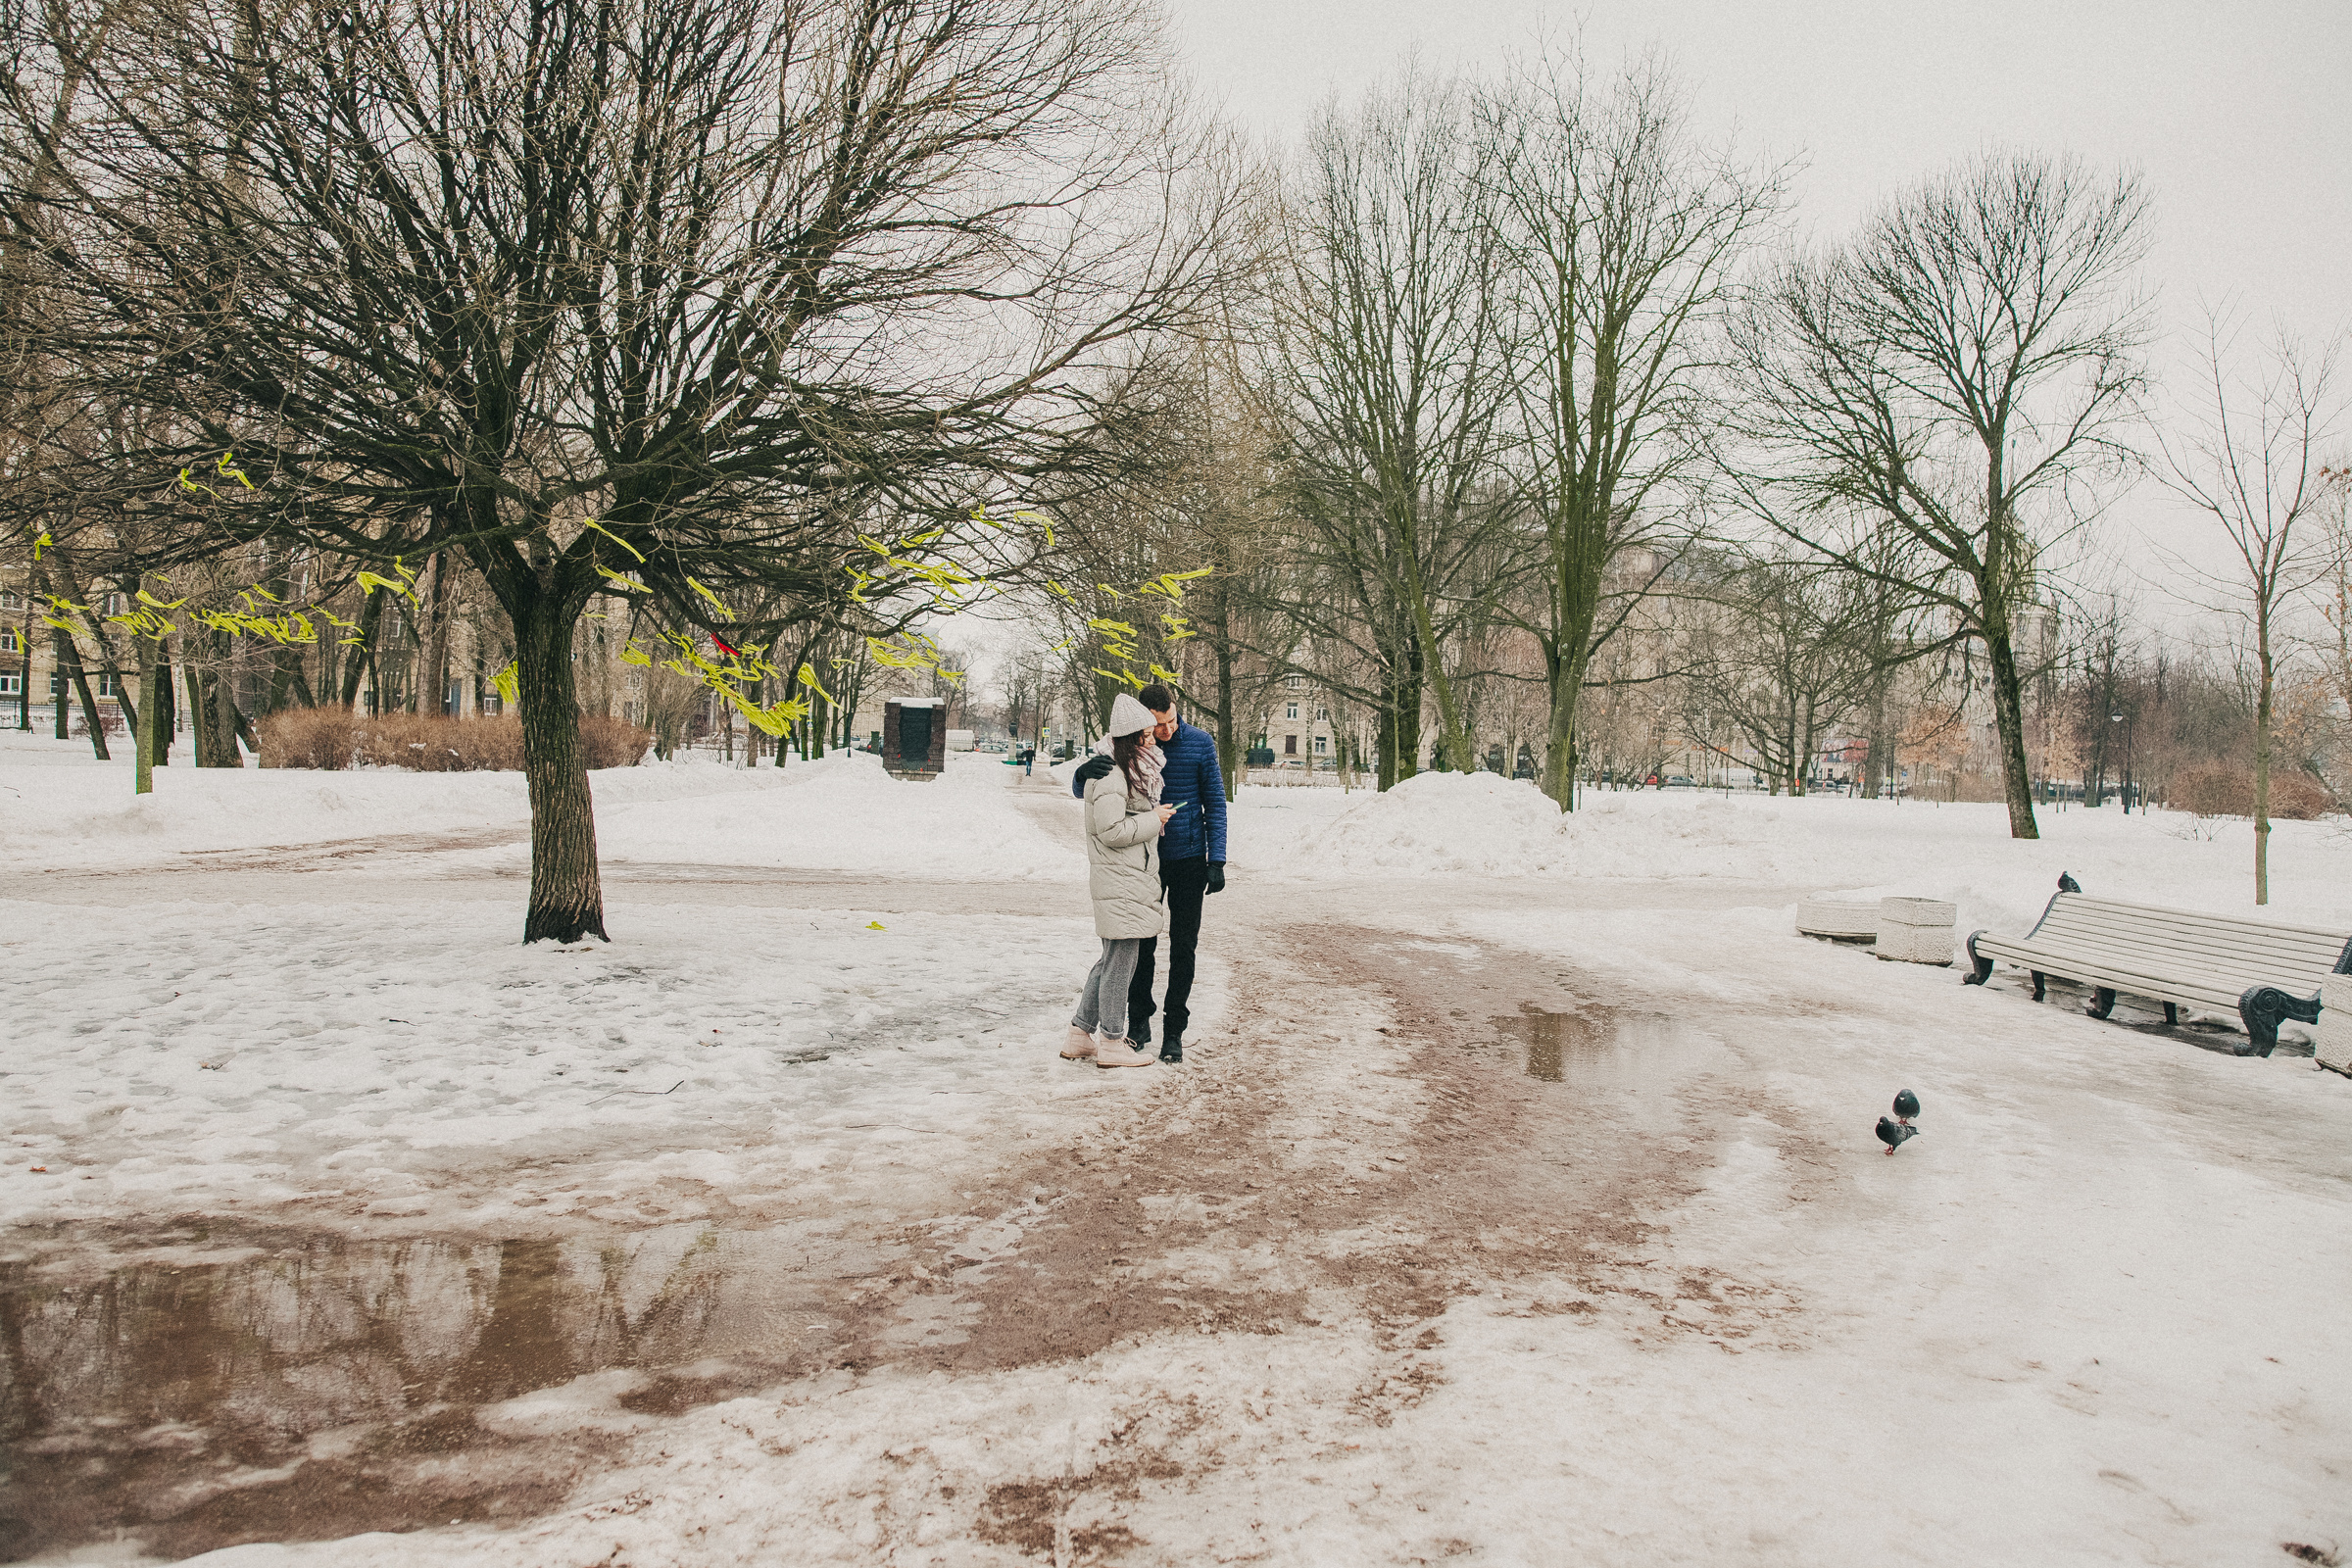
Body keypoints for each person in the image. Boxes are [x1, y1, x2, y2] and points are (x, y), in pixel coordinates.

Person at [1072, 682, 1226, 1062]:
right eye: (1158, 726)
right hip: (1144, 861)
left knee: (1184, 946)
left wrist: (1217, 859)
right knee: (1140, 946)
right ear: (1143, 723)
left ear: (1177, 708)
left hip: (1189, 858)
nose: (1167, 731)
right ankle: (1139, 1024)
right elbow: (1094, 791)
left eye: (1171, 720)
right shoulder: (1131, 747)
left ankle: (1174, 1030)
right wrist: (1080, 773)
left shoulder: (1200, 743)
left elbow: (1215, 802)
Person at [1062, 692, 1176, 1069]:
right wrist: (1154, 819)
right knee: (1120, 963)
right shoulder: (1113, 772)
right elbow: (1110, 829)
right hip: (1122, 878)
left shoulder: (1125, 768)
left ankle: (1080, 1034)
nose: (1152, 739)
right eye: (1145, 734)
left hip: (1126, 877)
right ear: (1129, 738)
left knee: (1111, 958)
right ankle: (1111, 1041)